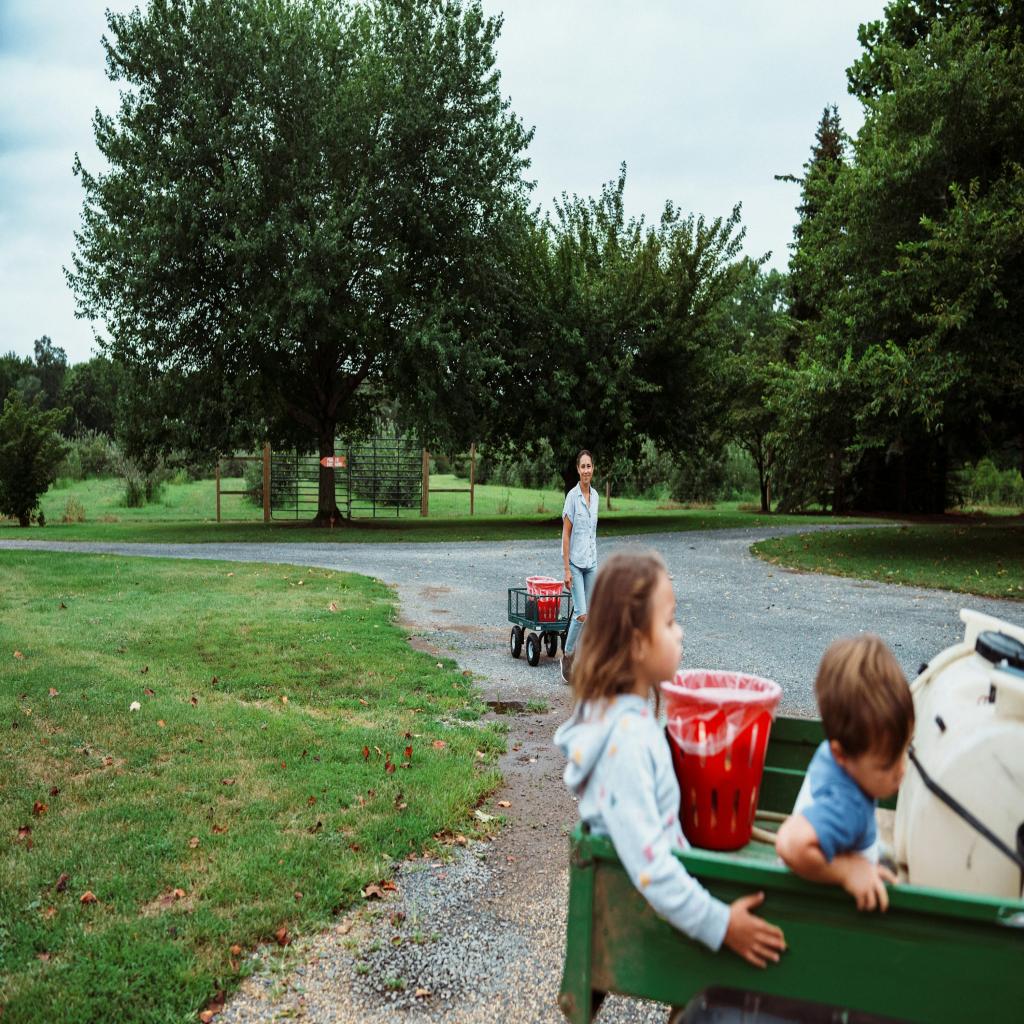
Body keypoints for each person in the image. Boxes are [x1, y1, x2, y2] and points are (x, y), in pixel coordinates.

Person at [554, 551, 787, 967]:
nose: (680, 634)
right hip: (661, 919)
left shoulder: (622, 719)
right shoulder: (625, 745)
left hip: (672, 894)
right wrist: (722, 925)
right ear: (638, 644)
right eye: (670, 622)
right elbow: (652, 869)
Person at [775, 633, 914, 912]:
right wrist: (849, 870)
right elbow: (789, 843)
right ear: (842, 755)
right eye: (886, 764)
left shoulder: (839, 753)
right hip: (819, 915)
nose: (902, 770)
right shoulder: (847, 807)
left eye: (905, 750)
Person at [560, 449, 598, 684]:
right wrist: (566, 569)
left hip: (591, 563)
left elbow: (592, 533)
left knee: (591, 614)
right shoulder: (572, 497)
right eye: (582, 466)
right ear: (577, 469)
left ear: (593, 469)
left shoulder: (596, 497)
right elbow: (566, 535)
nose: (586, 470)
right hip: (574, 563)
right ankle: (567, 655)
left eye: (589, 466)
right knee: (581, 614)